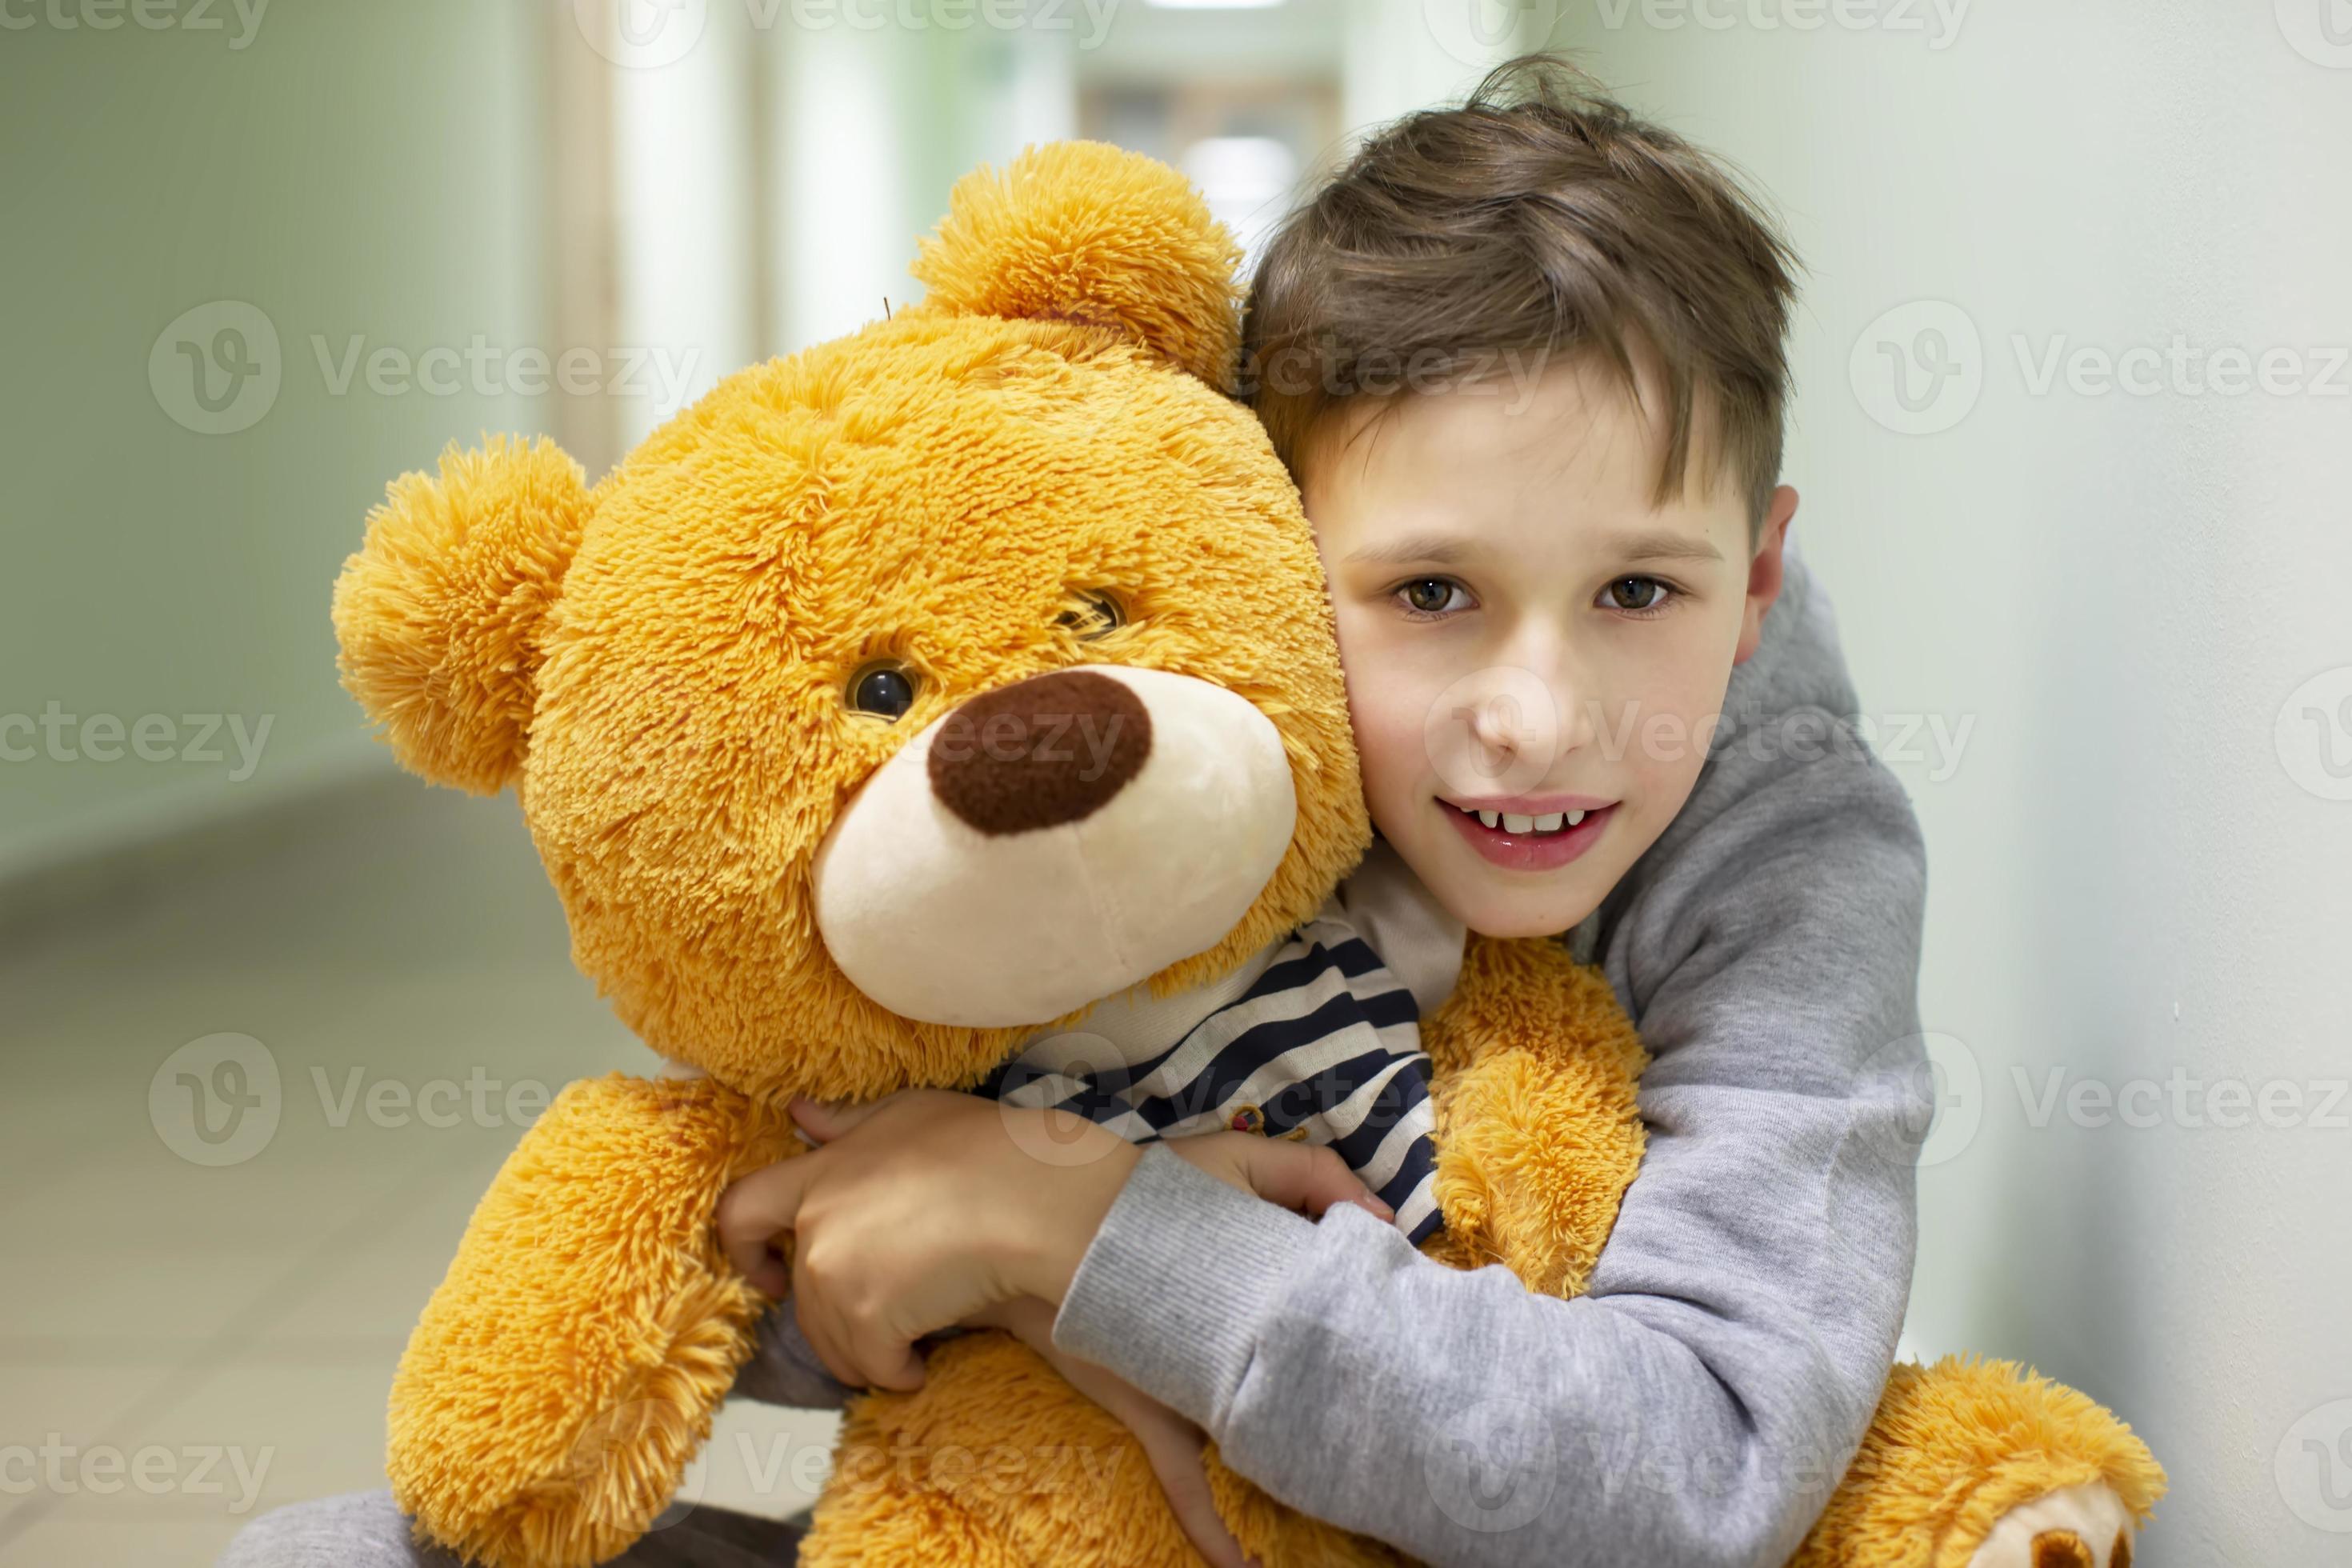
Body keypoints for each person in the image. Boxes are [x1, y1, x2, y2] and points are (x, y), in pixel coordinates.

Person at [222, 55, 1927, 1568]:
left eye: (1640, 590)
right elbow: (852, 1259)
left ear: (1759, 575)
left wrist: (1074, 1223)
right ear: (1262, 531)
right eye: (1428, 593)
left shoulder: (1791, 851)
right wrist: (997, 1275)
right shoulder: (1198, 734)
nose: (1536, 721)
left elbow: (1703, 1468)